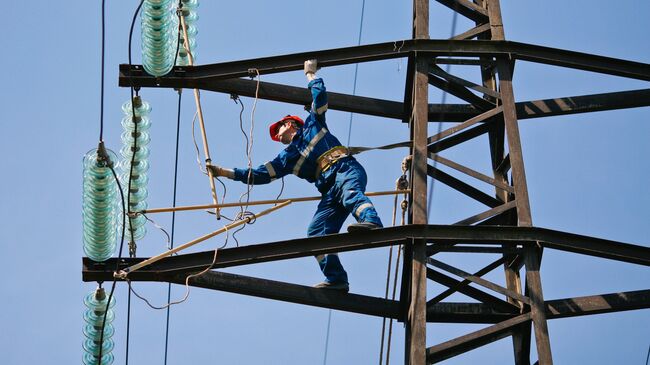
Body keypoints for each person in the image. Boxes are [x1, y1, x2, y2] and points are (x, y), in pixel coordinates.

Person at [208, 59, 383, 292]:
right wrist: (226, 173)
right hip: (329, 190)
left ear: (290, 124)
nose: (276, 135)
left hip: (344, 169)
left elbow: (320, 97)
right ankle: (337, 279)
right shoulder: (287, 158)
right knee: (316, 232)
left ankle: (371, 221)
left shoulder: (313, 124)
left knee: (350, 193)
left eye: (278, 129)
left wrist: (310, 74)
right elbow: (260, 174)